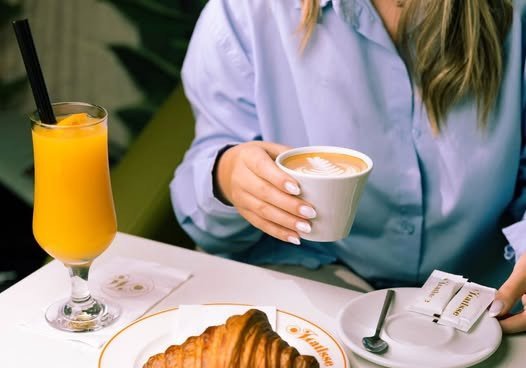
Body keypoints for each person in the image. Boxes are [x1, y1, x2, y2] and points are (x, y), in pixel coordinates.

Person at [170, 0, 526, 332]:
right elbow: (205, 220)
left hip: (491, 306)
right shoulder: (245, 12)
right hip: (314, 293)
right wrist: (227, 177)